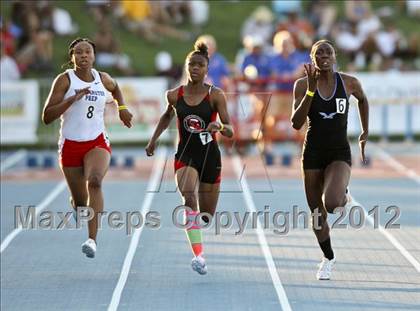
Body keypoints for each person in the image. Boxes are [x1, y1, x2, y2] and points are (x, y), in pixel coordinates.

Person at [145, 41, 233, 275]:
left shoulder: (216, 95)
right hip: (186, 155)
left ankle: (199, 229)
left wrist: (219, 126)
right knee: (188, 197)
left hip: (210, 157)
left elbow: (231, 129)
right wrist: (153, 140)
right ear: (186, 67)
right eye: (191, 64)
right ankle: (199, 256)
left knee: (205, 215)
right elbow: (166, 117)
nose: (195, 68)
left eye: (200, 65)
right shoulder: (174, 95)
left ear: (206, 69)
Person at [42, 38, 133, 258]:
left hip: (97, 141)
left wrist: (122, 108)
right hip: (71, 145)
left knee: (95, 182)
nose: (83, 56)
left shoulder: (103, 79)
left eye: (88, 52)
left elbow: (116, 88)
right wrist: (71, 100)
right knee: (82, 205)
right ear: (72, 57)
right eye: (79, 52)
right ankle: (77, 204)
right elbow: (47, 116)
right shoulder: (64, 81)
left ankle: (92, 240)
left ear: (94, 56)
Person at [291, 40, 369, 280]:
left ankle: (341, 191)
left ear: (335, 56)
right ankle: (328, 258)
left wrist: (365, 131)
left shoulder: (348, 82)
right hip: (313, 153)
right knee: (317, 215)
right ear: (312, 58)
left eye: (328, 52)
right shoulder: (302, 84)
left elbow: (363, 100)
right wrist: (311, 91)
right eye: (318, 52)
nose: (323, 55)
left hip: (338, 152)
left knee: (333, 203)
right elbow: (296, 123)